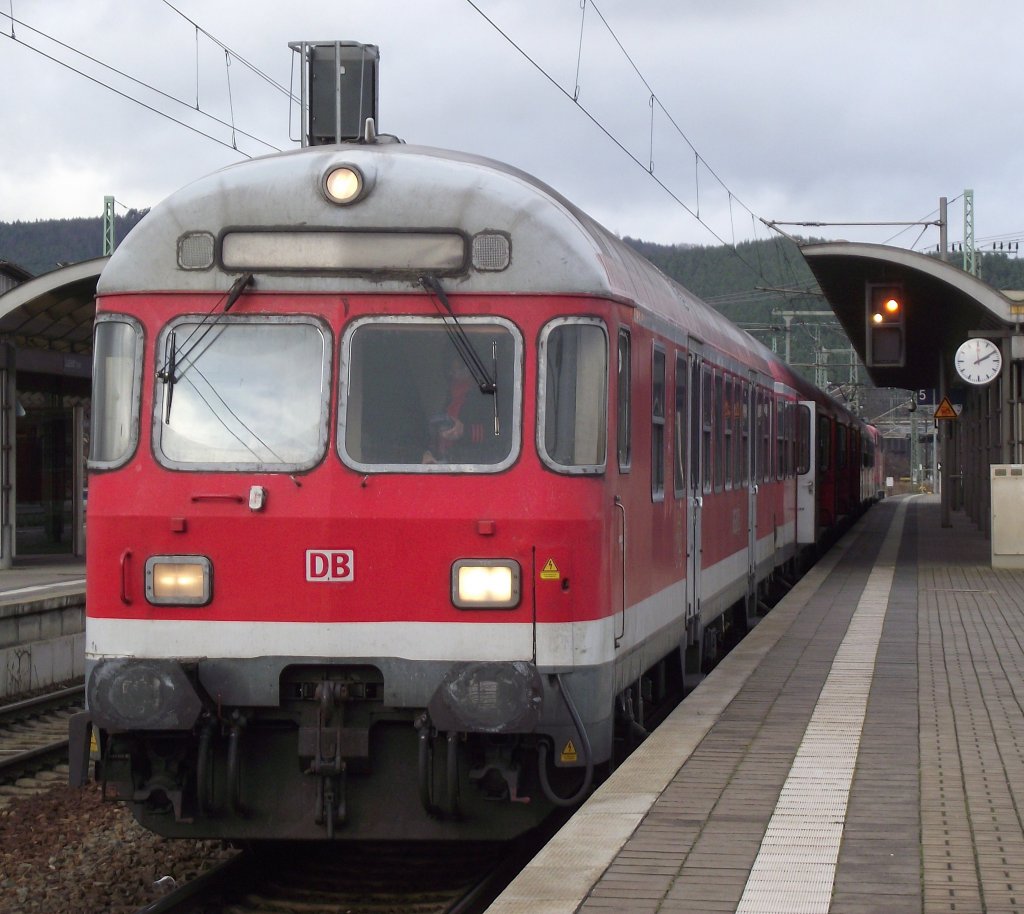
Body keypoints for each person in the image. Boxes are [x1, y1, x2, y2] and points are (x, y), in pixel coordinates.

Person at [422, 356, 495, 464]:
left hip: (474, 464)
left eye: (458, 369)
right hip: (447, 459)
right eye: (451, 370)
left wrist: (464, 431)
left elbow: (498, 433)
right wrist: (429, 452)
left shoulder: (486, 395)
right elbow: (444, 429)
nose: (453, 374)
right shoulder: (451, 395)